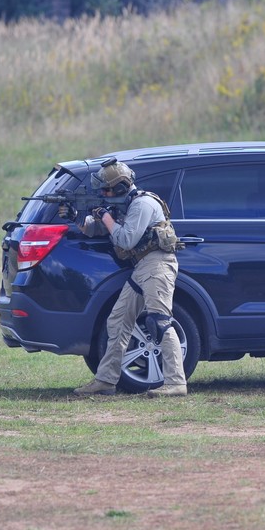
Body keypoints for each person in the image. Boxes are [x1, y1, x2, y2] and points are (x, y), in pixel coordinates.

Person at [68, 159, 188, 397]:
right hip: (142, 267)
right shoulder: (127, 205)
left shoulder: (142, 204)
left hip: (157, 265)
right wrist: (76, 217)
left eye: (107, 189)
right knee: (118, 321)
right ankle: (106, 380)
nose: (103, 193)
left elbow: (125, 239)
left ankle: (176, 383)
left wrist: (107, 217)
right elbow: (99, 229)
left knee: (160, 322)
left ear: (121, 187)